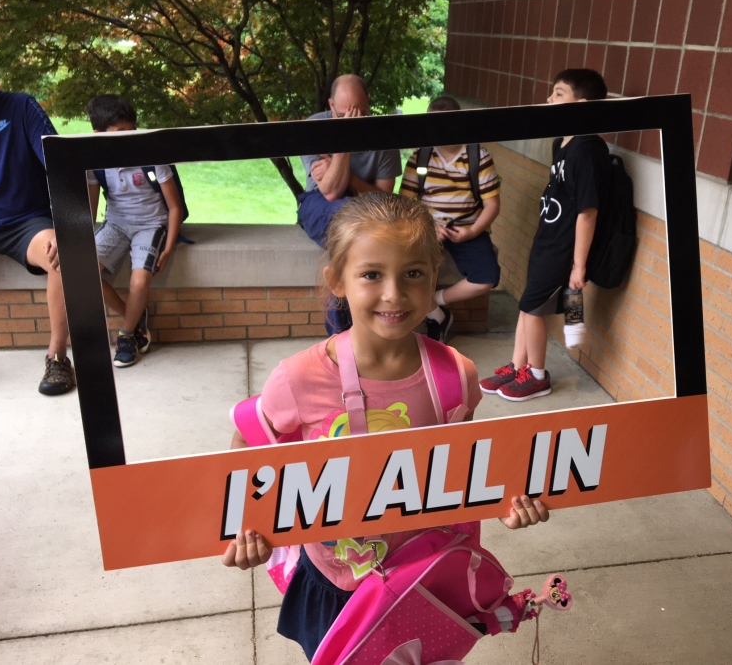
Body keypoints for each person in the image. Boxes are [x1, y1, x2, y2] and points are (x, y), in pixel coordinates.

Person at [222, 193, 550, 661]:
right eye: (372, 274)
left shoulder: (456, 376)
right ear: (338, 280)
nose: (394, 293)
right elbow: (247, 442)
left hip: (421, 578)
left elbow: (465, 467)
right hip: (335, 582)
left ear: (434, 278)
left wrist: (506, 502)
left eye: (413, 273)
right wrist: (246, 524)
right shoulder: (297, 378)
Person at [480, 69, 612, 402]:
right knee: (527, 305)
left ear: (580, 105)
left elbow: (588, 212)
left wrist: (578, 265)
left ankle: (537, 375)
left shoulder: (588, 150)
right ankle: (517, 365)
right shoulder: (562, 143)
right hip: (547, 240)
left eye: (558, 94)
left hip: (564, 248)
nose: (549, 100)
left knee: (535, 309)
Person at [296, 74, 402, 335]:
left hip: (367, 213)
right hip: (319, 205)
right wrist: (346, 140)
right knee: (347, 222)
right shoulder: (313, 127)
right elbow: (330, 193)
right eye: (344, 116)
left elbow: (386, 199)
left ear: (369, 104)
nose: (354, 121)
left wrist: (341, 171)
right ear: (330, 106)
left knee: (352, 250)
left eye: (360, 115)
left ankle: (346, 338)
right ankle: (345, 338)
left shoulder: (384, 134)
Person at [0, 87, 75, 395]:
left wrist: (67, 226)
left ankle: (58, 358)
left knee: (62, 257)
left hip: (26, 221)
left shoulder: (20, 106)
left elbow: (61, 164)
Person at [85, 95, 183, 368]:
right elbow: (90, 211)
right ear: (98, 134)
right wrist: (79, 242)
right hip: (116, 223)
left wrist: (168, 247)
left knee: (140, 282)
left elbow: (174, 208)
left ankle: (126, 335)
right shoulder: (95, 163)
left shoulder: (150, 156)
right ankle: (136, 318)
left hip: (150, 225)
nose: (128, 138)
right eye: (119, 133)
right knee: (85, 272)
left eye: (131, 130)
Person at [399, 96, 502, 343]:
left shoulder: (478, 157)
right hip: (426, 228)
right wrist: (428, 226)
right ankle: (433, 317)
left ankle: (435, 305)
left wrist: (473, 231)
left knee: (487, 276)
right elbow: (406, 202)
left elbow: (492, 205)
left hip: (467, 229)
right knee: (401, 270)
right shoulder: (421, 157)